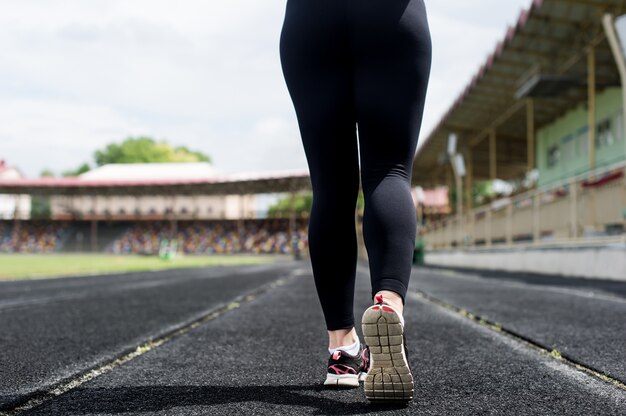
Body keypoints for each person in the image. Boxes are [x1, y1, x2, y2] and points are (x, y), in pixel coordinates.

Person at [280, 0, 431, 402]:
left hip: (309, 21)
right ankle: (388, 303)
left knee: (331, 187)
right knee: (389, 171)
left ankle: (343, 351)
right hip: (390, 15)